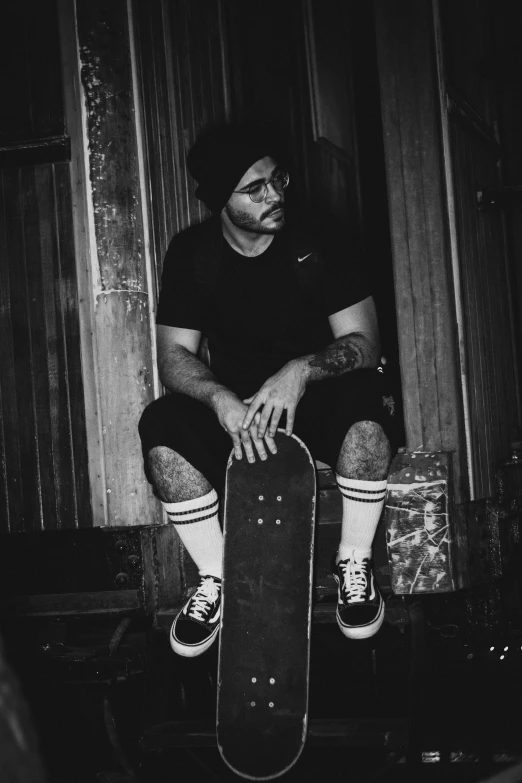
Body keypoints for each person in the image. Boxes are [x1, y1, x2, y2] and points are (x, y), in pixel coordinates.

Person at [139, 123, 395, 658]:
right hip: (239, 411)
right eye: (254, 189)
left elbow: (365, 343)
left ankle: (353, 560)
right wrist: (218, 398)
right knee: (162, 427)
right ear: (218, 199)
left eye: (278, 180)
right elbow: (173, 357)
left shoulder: (322, 236)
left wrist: (300, 371)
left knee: (367, 409)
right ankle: (217, 576)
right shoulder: (192, 254)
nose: (275, 195)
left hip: (317, 396)